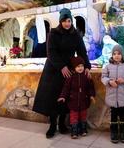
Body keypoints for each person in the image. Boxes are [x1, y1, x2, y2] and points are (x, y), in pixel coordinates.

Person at [32, 8, 91, 138]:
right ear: (60, 22)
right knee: (53, 98)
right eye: (64, 21)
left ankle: (62, 124)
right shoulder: (53, 33)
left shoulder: (76, 35)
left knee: (66, 97)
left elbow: (82, 51)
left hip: (69, 70)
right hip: (53, 69)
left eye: (69, 20)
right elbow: (51, 52)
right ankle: (52, 125)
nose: (67, 23)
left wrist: (87, 66)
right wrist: (61, 66)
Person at [101, 44, 124, 143]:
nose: (117, 55)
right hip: (112, 97)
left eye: (119, 53)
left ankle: (123, 133)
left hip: (123, 97)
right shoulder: (108, 67)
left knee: (123, 115)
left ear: (122, 55)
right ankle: (114, 132)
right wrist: (109, 82)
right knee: (113, 116)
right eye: (114, 54)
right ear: (112, 55)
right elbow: (103, 77)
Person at [58, 56, 95, 139]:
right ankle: (74, 131)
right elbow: (66, 88)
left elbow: (90, 87)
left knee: (83, 115)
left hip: (84, 100)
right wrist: (63, 96)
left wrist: (92, 95)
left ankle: (83, 129)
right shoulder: (70, 77)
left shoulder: (86, 76)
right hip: (73, 101)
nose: (80, 68)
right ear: (74, 67)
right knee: (73, 116)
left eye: (82, 66)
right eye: (78, 66)